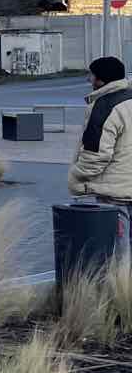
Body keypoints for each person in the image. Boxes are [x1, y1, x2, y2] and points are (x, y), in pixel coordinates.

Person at [68, 55, 132, 254]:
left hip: (115, 195)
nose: (89, 79)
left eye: (91, 75)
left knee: (118, 254)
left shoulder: (104, 106)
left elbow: (95, 155)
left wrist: (76, 175)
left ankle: (119, 285)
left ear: (101, 80)